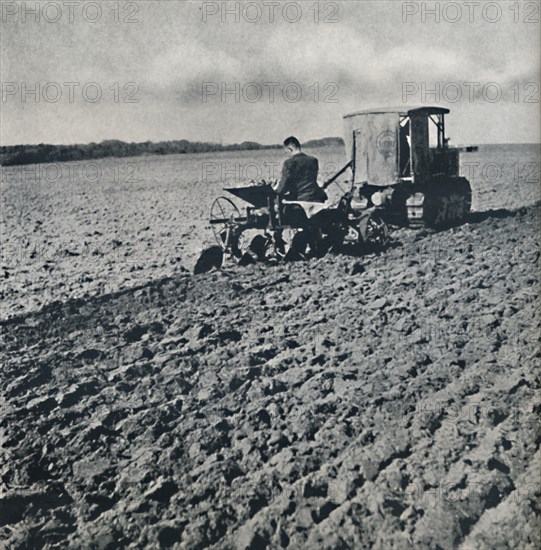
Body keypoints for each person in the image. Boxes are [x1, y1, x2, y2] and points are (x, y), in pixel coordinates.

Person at [271, 136, 327, 203]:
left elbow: (282, 189)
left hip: (299, 200)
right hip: (315, 197)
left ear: (290, 149)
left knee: (273, 202)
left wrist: (273, 188)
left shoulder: (289, 163)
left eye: (286, 152)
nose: (287, 155)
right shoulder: (313, 160)